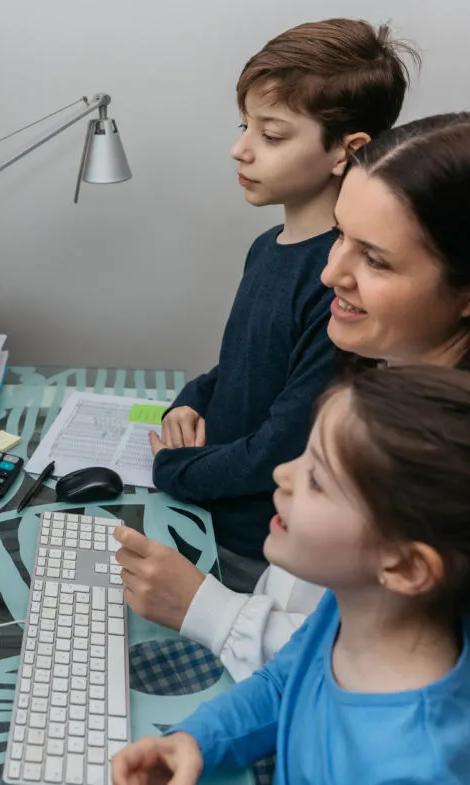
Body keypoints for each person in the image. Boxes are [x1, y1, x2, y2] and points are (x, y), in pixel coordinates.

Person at [117, 112, 470, 768]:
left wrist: (203, 607)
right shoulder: (387, 380)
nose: (329, 272)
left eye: (375, 258)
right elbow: (321, 652)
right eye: (341, 234)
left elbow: (371, 677)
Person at [112, 366, 470, 785]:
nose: (282, 473)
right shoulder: (353, 612)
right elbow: (283, 684)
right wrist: (196, 741)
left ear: (405, 565)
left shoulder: (420, 764)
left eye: (317, 478)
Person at [149, 19, 419, 591]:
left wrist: (173, 470)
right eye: (244, 126)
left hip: (253, 547)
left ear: (349, 151)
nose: (239, 149)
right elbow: (248, 364)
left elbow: (284, 444)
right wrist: (191, 399)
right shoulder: (265, 249)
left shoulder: (340, 286)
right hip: (206, 503)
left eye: (271, 135)